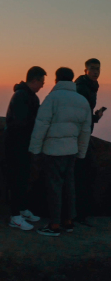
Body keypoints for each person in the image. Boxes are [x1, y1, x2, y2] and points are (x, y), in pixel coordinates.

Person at [29, 67, 91, 236]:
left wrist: (34, 150)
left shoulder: (52, 98)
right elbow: (85, 130)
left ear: (56, 80)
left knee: (54, 188)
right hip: (71, 151)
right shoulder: (82, 101)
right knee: (69, 187)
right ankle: (68, 221)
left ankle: (54, 225)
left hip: (53, 152)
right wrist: (81, 153)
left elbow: (41, 125)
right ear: (72, 81)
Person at [4, 66, 46, 231]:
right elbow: (20, 123)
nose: (42, 85)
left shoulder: (30, 97)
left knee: (23, 178)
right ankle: (15, 216)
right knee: (17, 179)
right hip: (16, 145)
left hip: (24, 145)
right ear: (34, 80)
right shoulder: (21, 96)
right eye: (41, 81)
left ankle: (21, 209)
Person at [74, 58, 103, 226]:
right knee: (83, 174)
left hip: (84, 133)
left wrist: (95, 118)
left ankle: (80, 212)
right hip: (79, 136)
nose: (96, 71)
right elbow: (79, 115)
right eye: (92, 68)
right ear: (85, 70)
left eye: (98, 69)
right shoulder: (82, 87)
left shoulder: (91, 86)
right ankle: (79, 213)